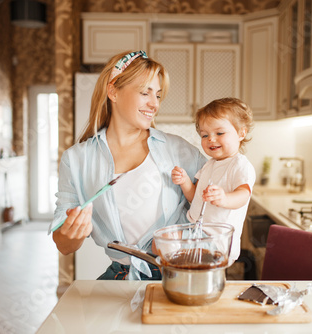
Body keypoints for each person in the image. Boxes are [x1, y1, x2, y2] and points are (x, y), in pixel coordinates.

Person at [51, 50, 207, 280]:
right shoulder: (77, 160)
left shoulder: (181, 151)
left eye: (158, 96)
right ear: (113, 91)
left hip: (179, 276)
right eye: (145, 93)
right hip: (120, 278)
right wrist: (73, 232)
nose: (154, 104)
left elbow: (214, 209)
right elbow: (64, 246)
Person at [171, 97, 256, 264]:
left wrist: (224, 198)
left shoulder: (240, 165)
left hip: (217, 240)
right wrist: (185, 182)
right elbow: (194, 197)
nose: (211, 139)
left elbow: (243, 195)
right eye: (205, 135)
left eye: (219, 133)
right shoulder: (209, 165)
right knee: (161, 245)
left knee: (167, 244)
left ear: (241, 133)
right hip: (197, 231)